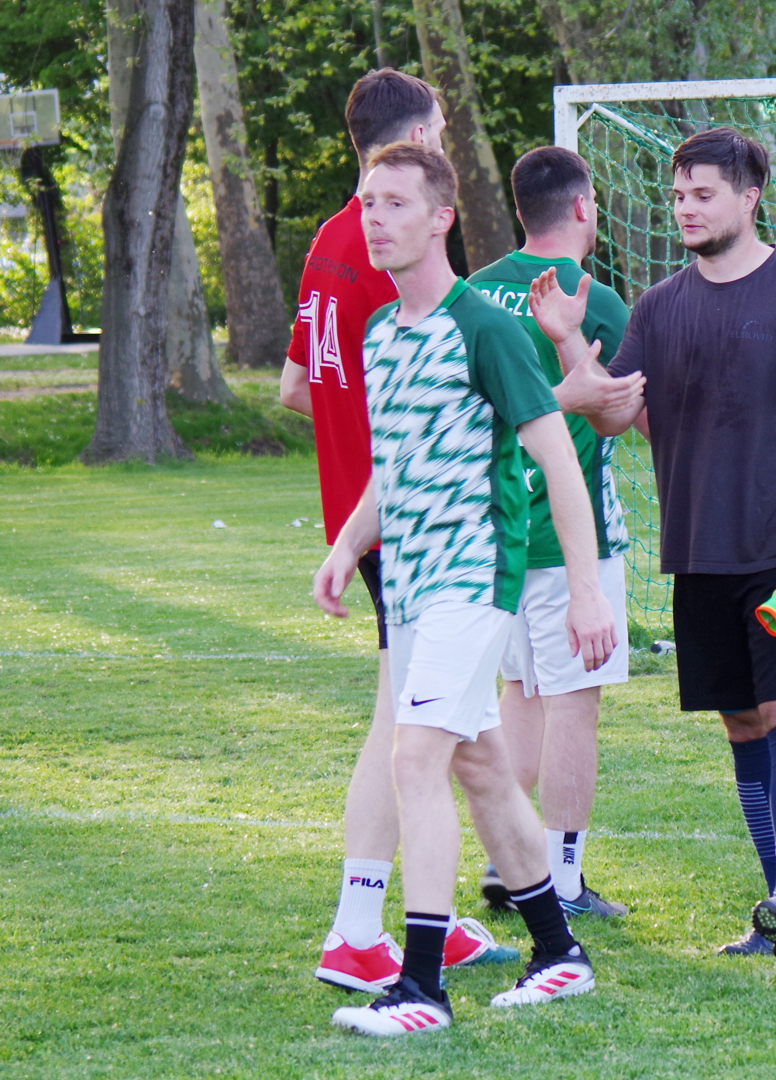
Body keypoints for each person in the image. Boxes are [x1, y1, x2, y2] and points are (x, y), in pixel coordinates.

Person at [530, 127, 776, 960]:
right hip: (698, 549)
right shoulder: (658, 306)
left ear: (749, 198)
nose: (686, 208)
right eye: (679, 195)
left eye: (703, 194)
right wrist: (567, 338)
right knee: (742, 724)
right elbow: (615, 411)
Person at [315, 143, 615, 1035]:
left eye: (395, 203)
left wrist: (587, 591)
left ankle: (420, 989)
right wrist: (347, 546)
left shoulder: (484, 327)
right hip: (410, 586)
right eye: (368, 202)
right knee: (479, 765)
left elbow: (558, 459)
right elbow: (395, 465)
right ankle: (559, 953)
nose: (375, 219)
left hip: (474, 581)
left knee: (415, 759)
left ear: (442, 218)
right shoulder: (380, 334)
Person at [280, 68, 506, 992]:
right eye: (440, 130)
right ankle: (355, 930)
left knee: (458, 736)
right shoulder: (387, 246)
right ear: (414, 138)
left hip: (374, 515)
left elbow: (296, 387)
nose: (444, 143)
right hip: (411, 523)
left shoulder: (332, 237)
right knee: (402, 729)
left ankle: (437, 916)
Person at [467, 145, 645, 919]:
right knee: (575, 701)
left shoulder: (472, 292)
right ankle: (563, 881)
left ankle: (508, 862)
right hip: (570, 537)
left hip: (493, 531)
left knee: (522, 692)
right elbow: (621, 411)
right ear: (582, 207)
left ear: (518, 210)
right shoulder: (591, 299)